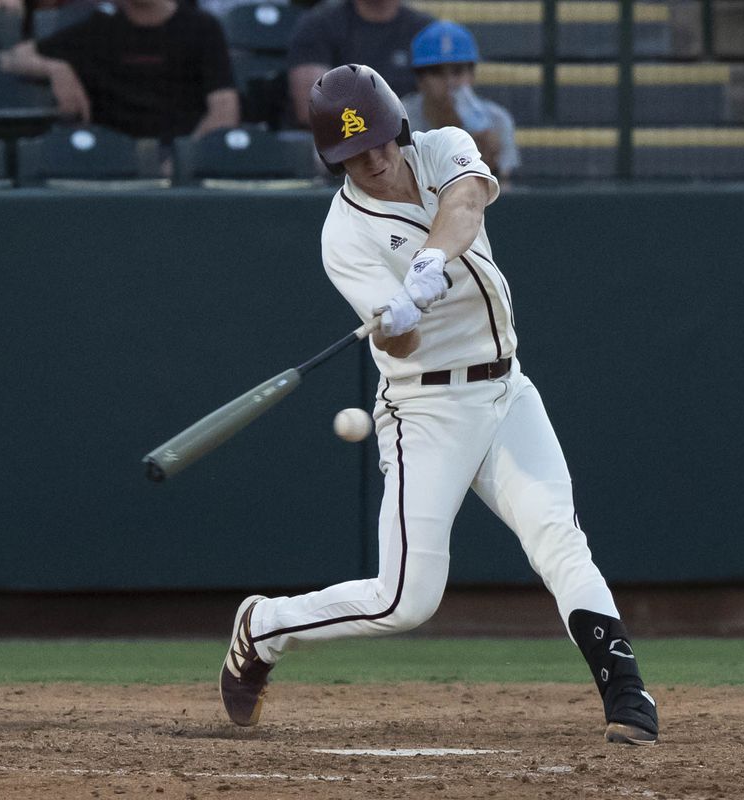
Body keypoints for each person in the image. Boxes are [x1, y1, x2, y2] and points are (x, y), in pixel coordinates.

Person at [219, 63, 659, 746]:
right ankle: (264, 626)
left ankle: (626, 691)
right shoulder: (345, 236)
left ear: (397, 126)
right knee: (405, 600)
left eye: (380, 143)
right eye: (354, 154)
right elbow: (401, 345)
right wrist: (397, 320)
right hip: (427, 410)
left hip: (507, 389)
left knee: (559, 539)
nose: (373, 159)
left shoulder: (443, 144)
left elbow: (468, 201)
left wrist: (423, 270)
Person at [0, 0, 240, 142]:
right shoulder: (96, 31)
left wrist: (185, 160)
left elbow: (224, 109)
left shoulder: (201, 27)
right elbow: (11, 58)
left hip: (180, 160)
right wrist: (56, 69)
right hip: (113, 162)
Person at [401, 19, 519, 180]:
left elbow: (504, 187)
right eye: (437, 72)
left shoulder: (496, 120)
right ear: (420, 80)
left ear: (472, 75)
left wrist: (491, 163)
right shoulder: (400, 118)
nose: (449, 82)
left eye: (457, 71)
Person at [285, 0, 431, 127]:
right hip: (345, 138)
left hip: (413, 137)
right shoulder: (320, 23)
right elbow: (313, 109)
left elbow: (447, 99)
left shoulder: (426, 29)